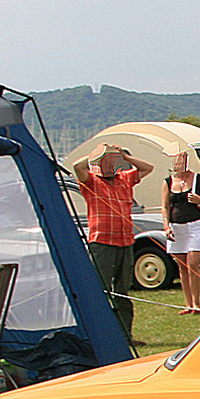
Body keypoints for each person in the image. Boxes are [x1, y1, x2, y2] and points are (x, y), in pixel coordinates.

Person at [72, 142, 153, 346]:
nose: (109, 165)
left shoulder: (124, 179)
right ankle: (99, 335)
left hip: (125, 242)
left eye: (112, 161)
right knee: (100, 290)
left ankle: (126, 335)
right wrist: (96, 153)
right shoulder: (91, 182)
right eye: (104, 162)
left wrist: (125, 157)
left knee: (122, 291)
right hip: (102, 243)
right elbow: (77, 167)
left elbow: (147, 168)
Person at [160, 151, 200, 316]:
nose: (178, 164)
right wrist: (166, 225)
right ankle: (188, 303)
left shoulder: (199, 180)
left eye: (181, 160)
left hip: (195, 225)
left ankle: (197, 303)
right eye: (176, 161)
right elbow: (165, 206)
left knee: (193, 263)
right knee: (182, 266)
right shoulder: (168, 181)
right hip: (177, 227)